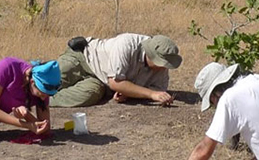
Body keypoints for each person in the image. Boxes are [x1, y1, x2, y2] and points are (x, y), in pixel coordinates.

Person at [49, 33, 182, 108]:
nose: (163, 67)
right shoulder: (126, 44)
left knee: (89, 95)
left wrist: (129, 93)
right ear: (150, 54)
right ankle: (33, 87)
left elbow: (156, 89)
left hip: (99, 79)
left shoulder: (161, 69)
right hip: (83, 58)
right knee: (51, 80)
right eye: (161, 63)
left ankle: (43, 100)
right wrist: (152, 94)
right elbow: (116, 82)